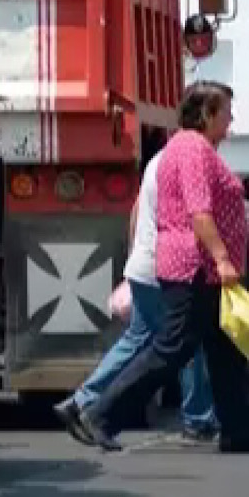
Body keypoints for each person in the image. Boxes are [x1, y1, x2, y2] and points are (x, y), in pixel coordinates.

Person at [72, 81, 249, 454]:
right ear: (207, 115)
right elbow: (199, 214)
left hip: (199, 267)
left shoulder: (186, 147)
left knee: (225, 349)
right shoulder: (193, 150)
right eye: (226, 111)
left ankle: (242, 431)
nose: (231, 119)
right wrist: (223, 257)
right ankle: (101, 413)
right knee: (172, 347)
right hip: (194, 267)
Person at [53, 149, 220, 444]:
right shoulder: (188, 162)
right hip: (165, 267)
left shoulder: (159, 161)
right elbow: (198, 217)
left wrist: (134, 258)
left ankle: (81, 401)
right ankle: (197, 418)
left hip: (145, 265)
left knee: (139, 338)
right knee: (186, 342)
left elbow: (137, 210)